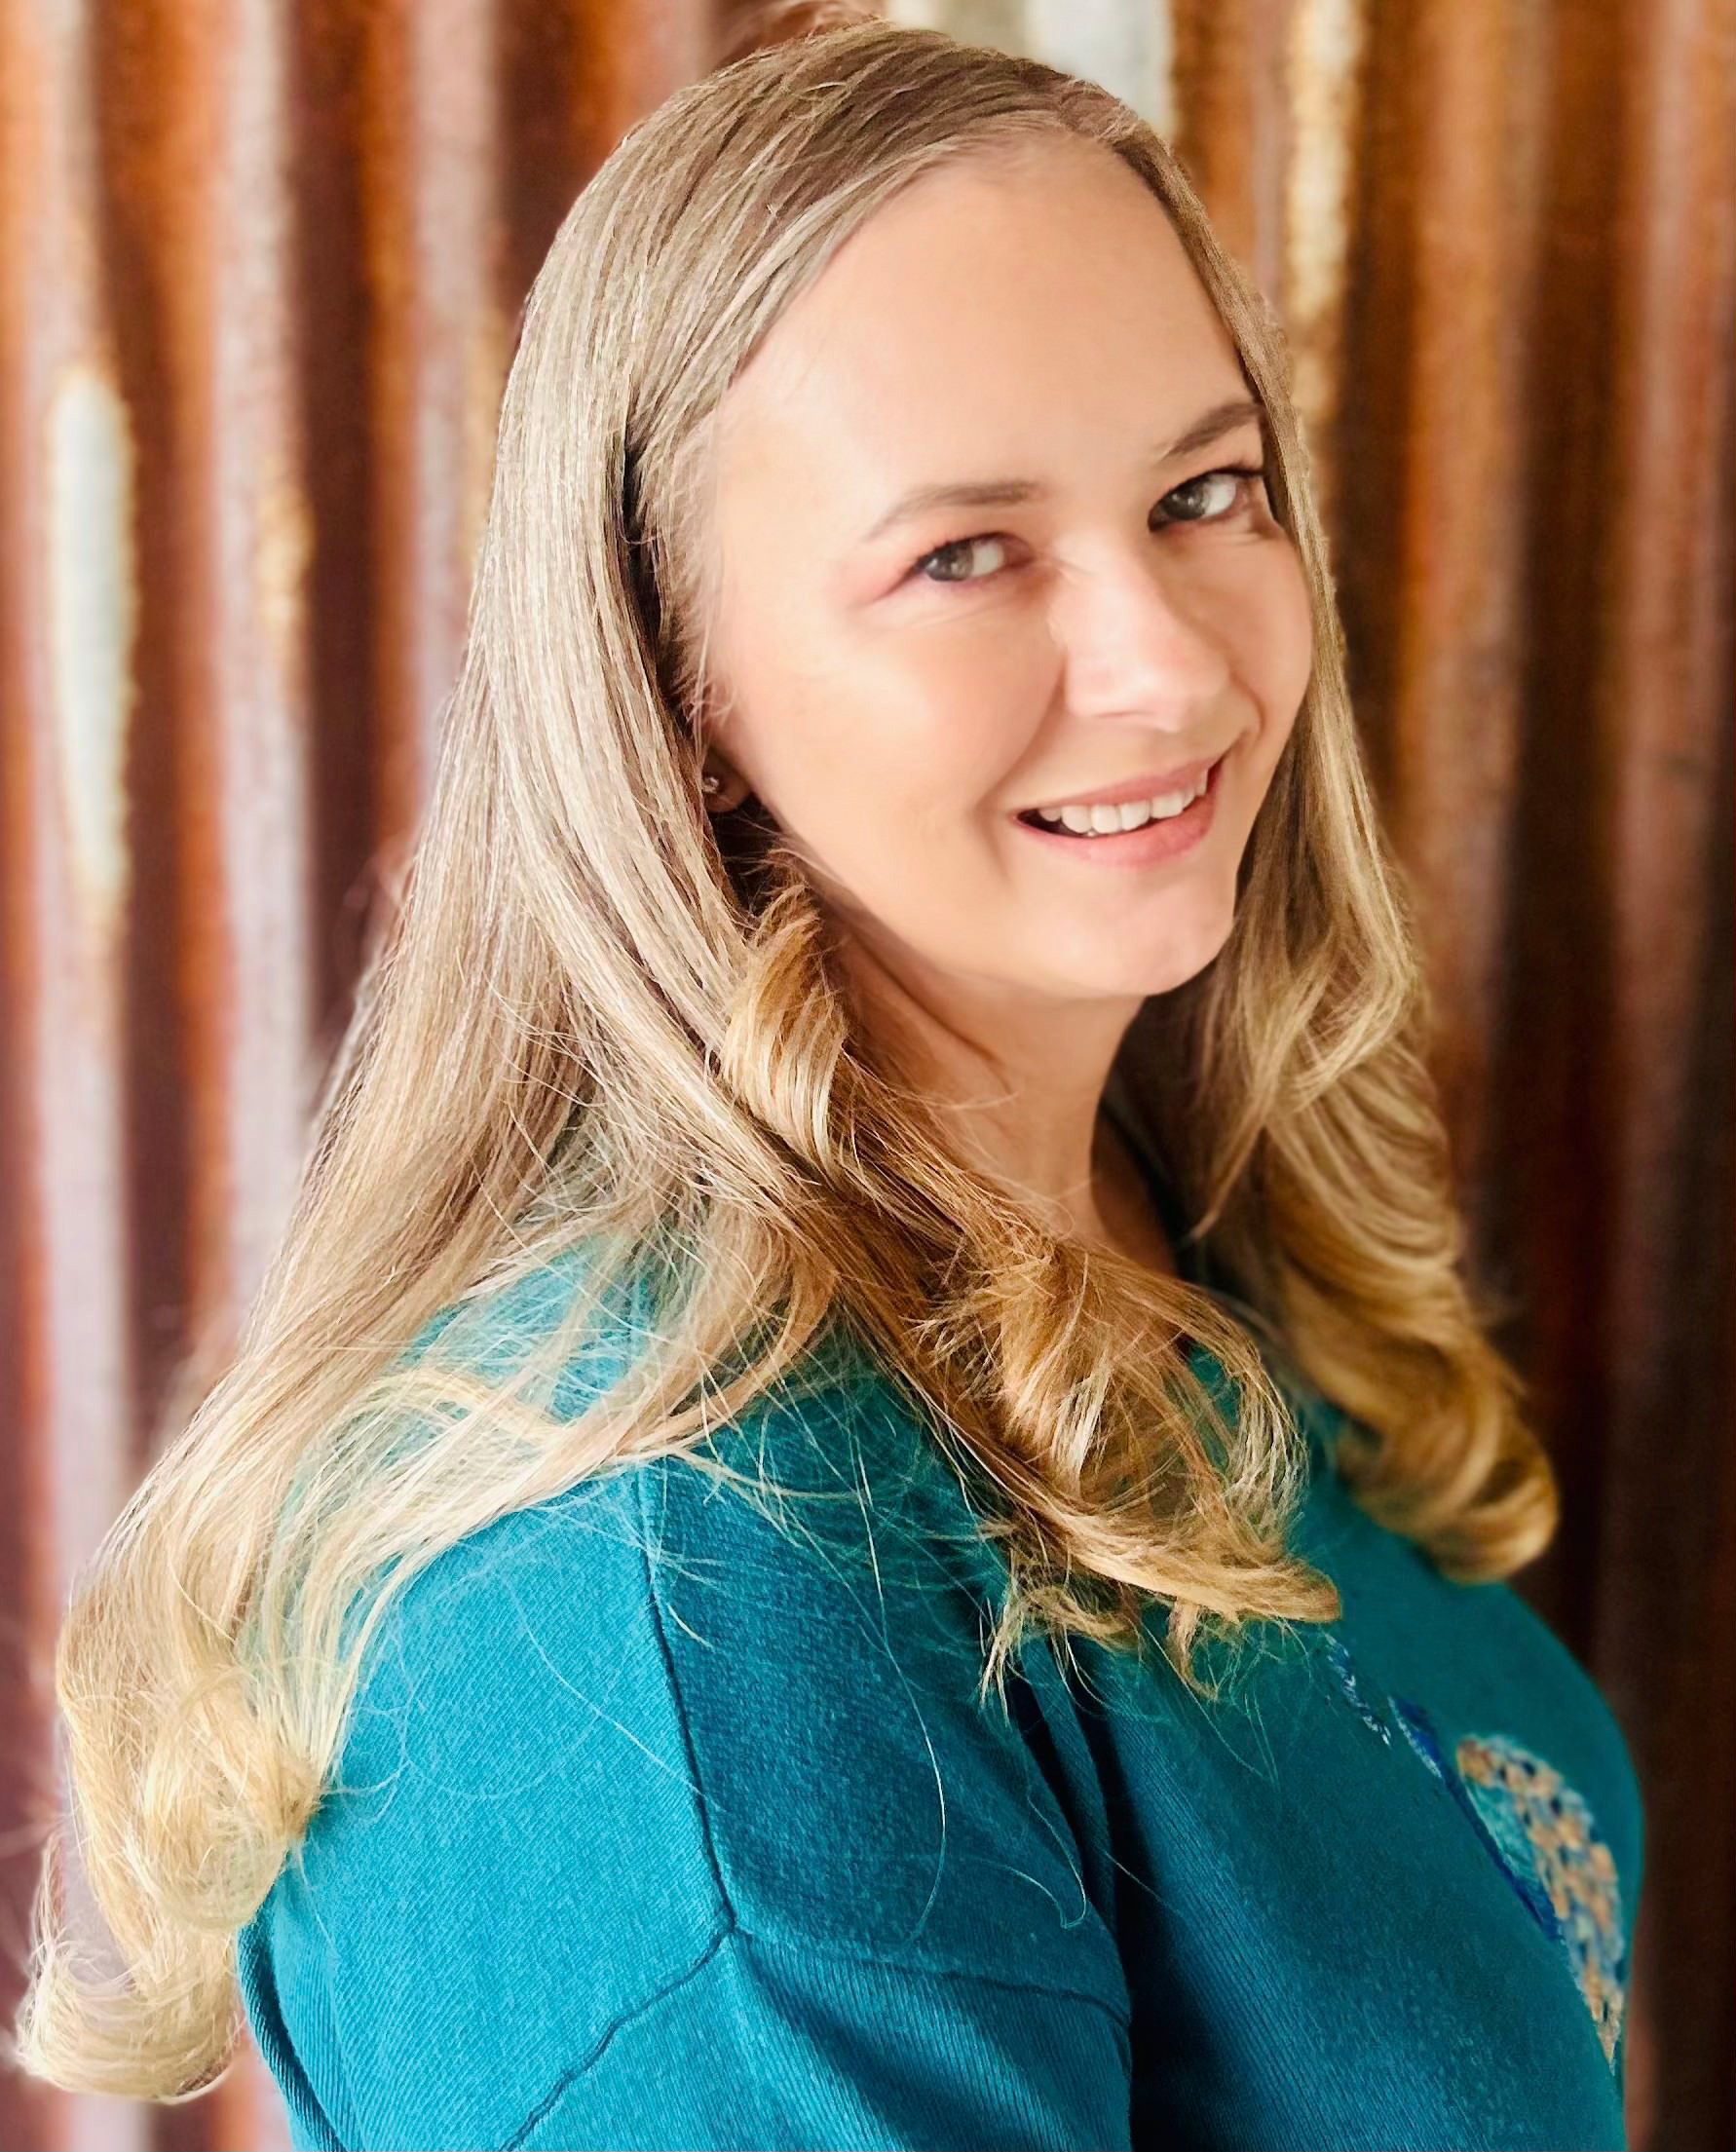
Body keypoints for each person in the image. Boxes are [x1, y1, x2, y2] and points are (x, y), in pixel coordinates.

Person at [12, 12, 1642, 2150]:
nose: (1172, 659)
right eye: (967, 554)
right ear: (683, 692)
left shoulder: (1186, 1244)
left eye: (1203, 490)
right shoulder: (661, 1613)